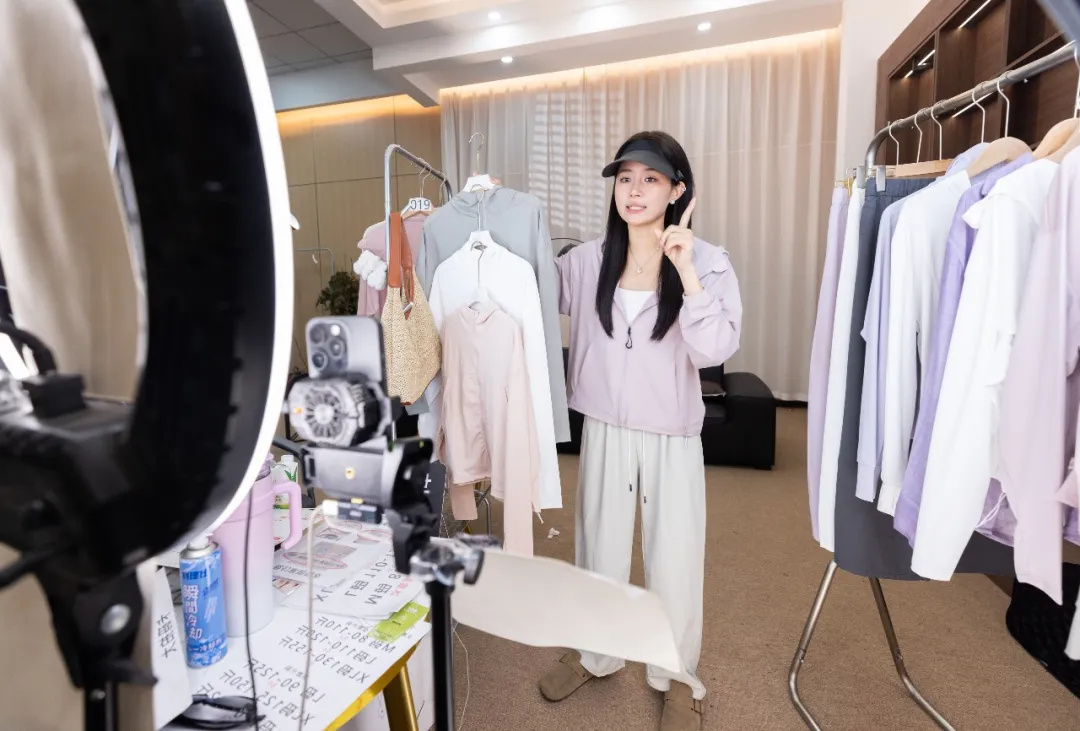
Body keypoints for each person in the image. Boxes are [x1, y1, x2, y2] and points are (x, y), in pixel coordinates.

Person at [540, 130, 743, 731]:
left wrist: (687, 272)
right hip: (604, 424)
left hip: (672, 431)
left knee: (674, 555)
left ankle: (677, 675)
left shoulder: (709, 260)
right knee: (597, 546)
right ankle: (596, 653)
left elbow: (715, 349)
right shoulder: (586, 261)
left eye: (650, 179)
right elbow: (530, 287)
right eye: (625, 178)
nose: (634, 190)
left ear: (677, 190)